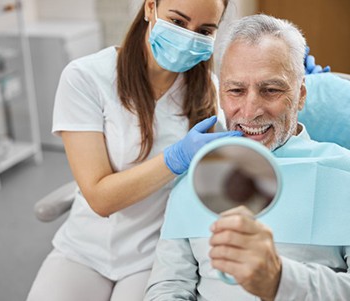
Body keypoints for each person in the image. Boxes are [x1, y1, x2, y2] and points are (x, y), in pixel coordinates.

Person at [144, 14, 350, 301]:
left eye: (271, 90)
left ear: (301, 94)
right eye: (236, 90)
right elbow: (167, 287)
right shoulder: (192, 179)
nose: (251, 109)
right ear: (221, 95)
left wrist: (280, 281)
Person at [26, 1, 244, 300]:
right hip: (83, 249)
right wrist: (176, 158)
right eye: (178, 22)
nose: (189, 37)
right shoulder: (86, 77)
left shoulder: (210, 91)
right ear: (150, 8)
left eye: (204, 30)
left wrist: (300, 87)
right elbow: (100, 198)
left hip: (154, 255)